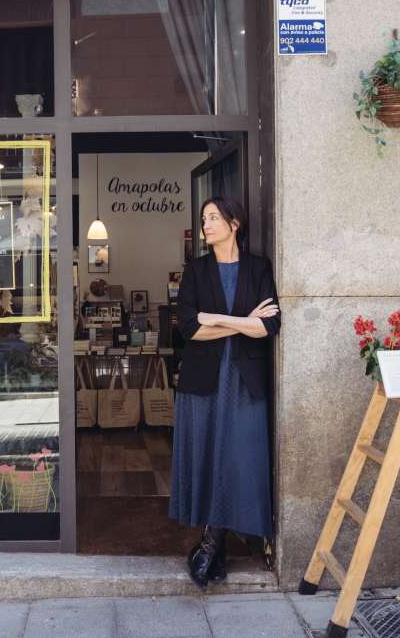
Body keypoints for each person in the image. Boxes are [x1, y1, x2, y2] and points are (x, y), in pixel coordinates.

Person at [168, 196, 281, 588]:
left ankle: (210, 546)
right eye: (204, 219)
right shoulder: (196, 270)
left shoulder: (258, 268)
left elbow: (269, 327)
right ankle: (214, 545)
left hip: (245, 381)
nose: (207, 224)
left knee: (239, 460)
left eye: (214, 217)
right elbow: (189, 328)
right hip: (204, 380)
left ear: (235, 223)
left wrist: (216, 318)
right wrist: (241, 321)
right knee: (207, 458)